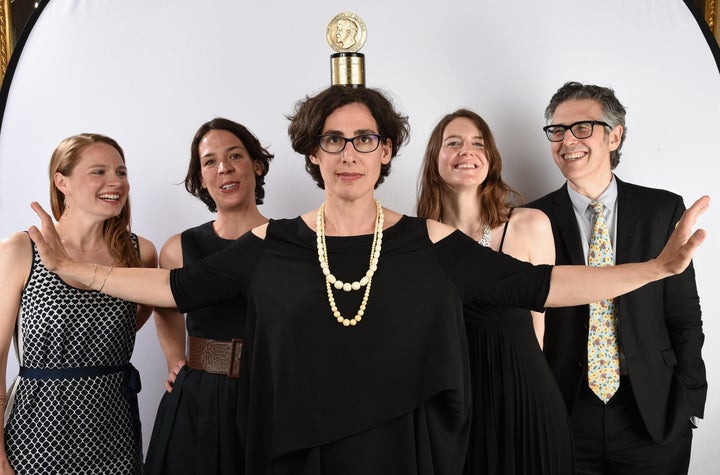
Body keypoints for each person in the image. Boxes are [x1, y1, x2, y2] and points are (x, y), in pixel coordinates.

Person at [26, 86, 707, 475]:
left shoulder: (429, 240)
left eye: (364, 139)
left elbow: (540, 286)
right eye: (333, 139)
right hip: (302, 452)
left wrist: (655, 269)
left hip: (405, 454)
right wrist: (71, 268)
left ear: (385, 152)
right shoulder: (276, 242)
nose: (348, 152)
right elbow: (175, 291)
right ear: (311, 153)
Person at [527, 81, 707, 475]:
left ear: (615, 136)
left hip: (651, 412)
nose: (567, 140)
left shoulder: (662, 210)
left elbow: (684, 316)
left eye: (582, 127)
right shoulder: (530, 220)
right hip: (565, 412)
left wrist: (689, 401)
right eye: (557, 130)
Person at [417, 109, 573, 474]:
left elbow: (540, 327)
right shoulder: (415, 240)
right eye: (452, 143)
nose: (465, 151)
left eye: (478, 144)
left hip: (526, 399)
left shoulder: (529, 224)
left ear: (490, 160)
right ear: (434, 160)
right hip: (453, 410)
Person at [0, 133, 157, 474]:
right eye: (98, 171)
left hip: (113, 433)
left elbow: (131, 325)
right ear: (62, 182)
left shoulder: (140, 253)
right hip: (36, 434)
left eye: (121, 172)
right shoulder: (21, 249)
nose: (116, 181)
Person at [144, 118, 273, 474]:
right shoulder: (178, 248)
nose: (224, 169)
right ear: (201, 177)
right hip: (198, 398)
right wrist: (174, 358)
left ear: (256, 164)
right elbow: (164, 307)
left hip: (271, 394)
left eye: (235, 155)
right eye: (210, 162)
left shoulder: (290, 240)